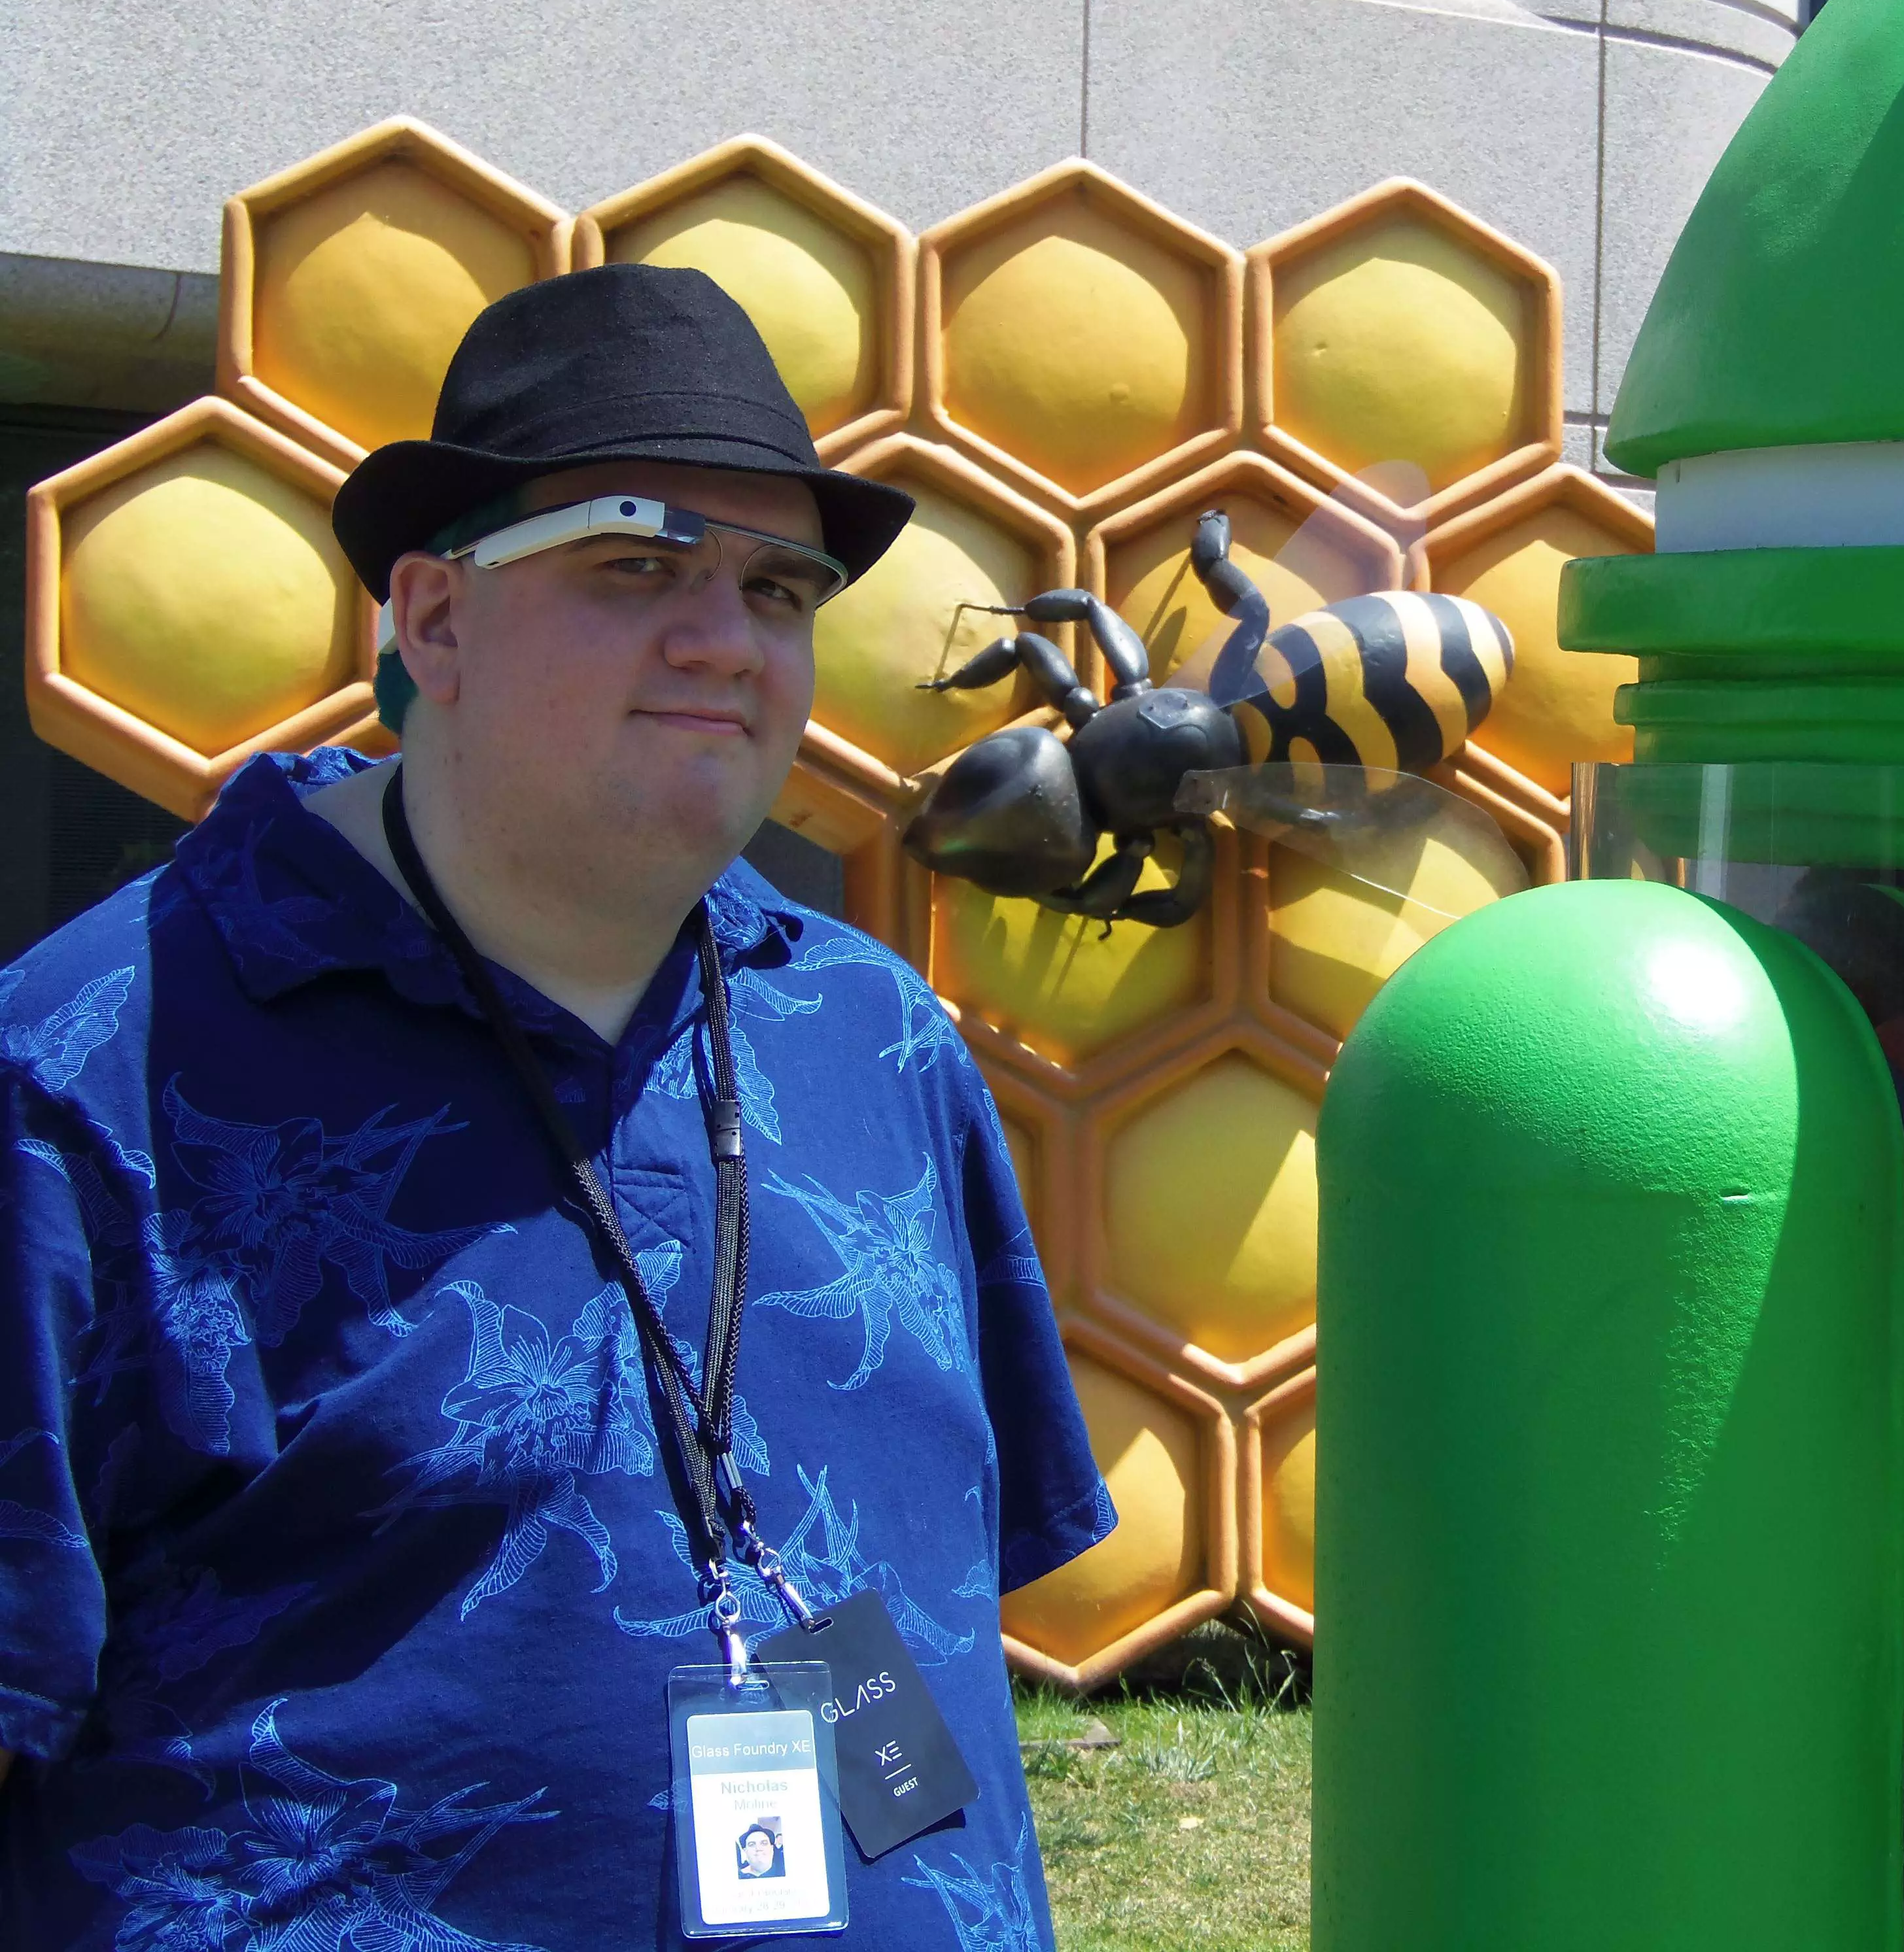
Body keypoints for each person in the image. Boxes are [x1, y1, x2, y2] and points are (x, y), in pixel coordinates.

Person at [0, 265, 1115, 1949]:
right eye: (633, 563)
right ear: (433, 621)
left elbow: (940, 1582)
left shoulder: (873, 1037)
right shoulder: (89, 1070)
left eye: (775, 586)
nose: (721, 640)